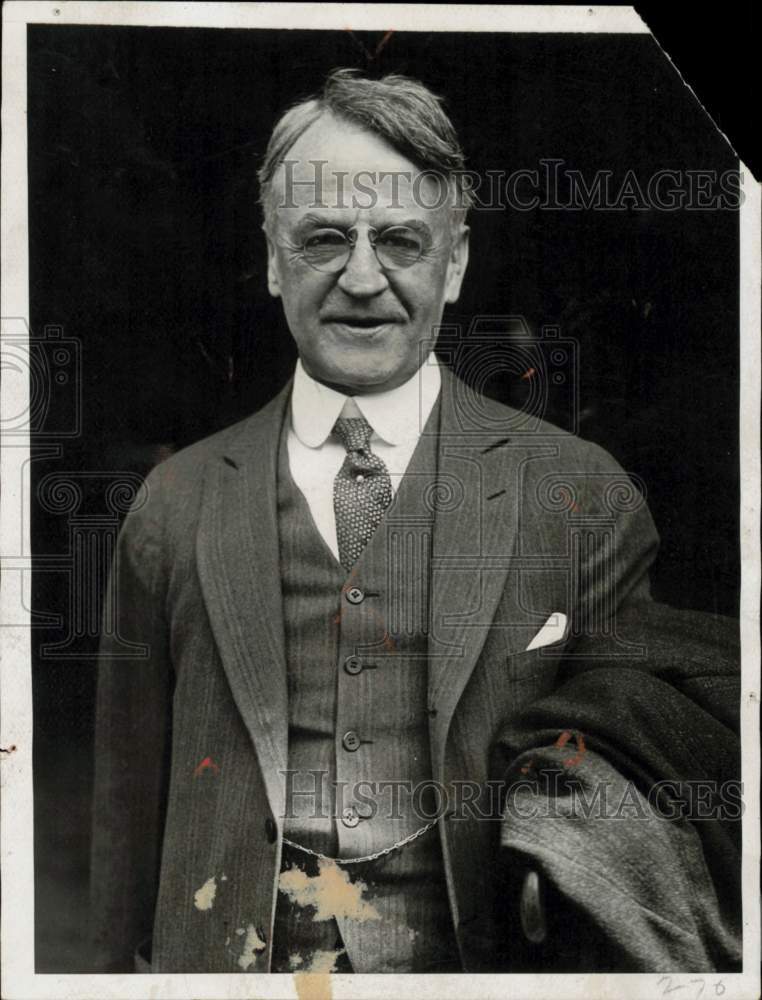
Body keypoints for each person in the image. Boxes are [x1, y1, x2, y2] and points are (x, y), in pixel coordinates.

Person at [90, 69, 741, 974]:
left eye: (400, 239)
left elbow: (636, 786)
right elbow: (125, 820)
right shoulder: (175, 503)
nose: (363, 278)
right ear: (274, 259)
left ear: (458, 259)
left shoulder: (579, 494)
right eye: (324, 238)